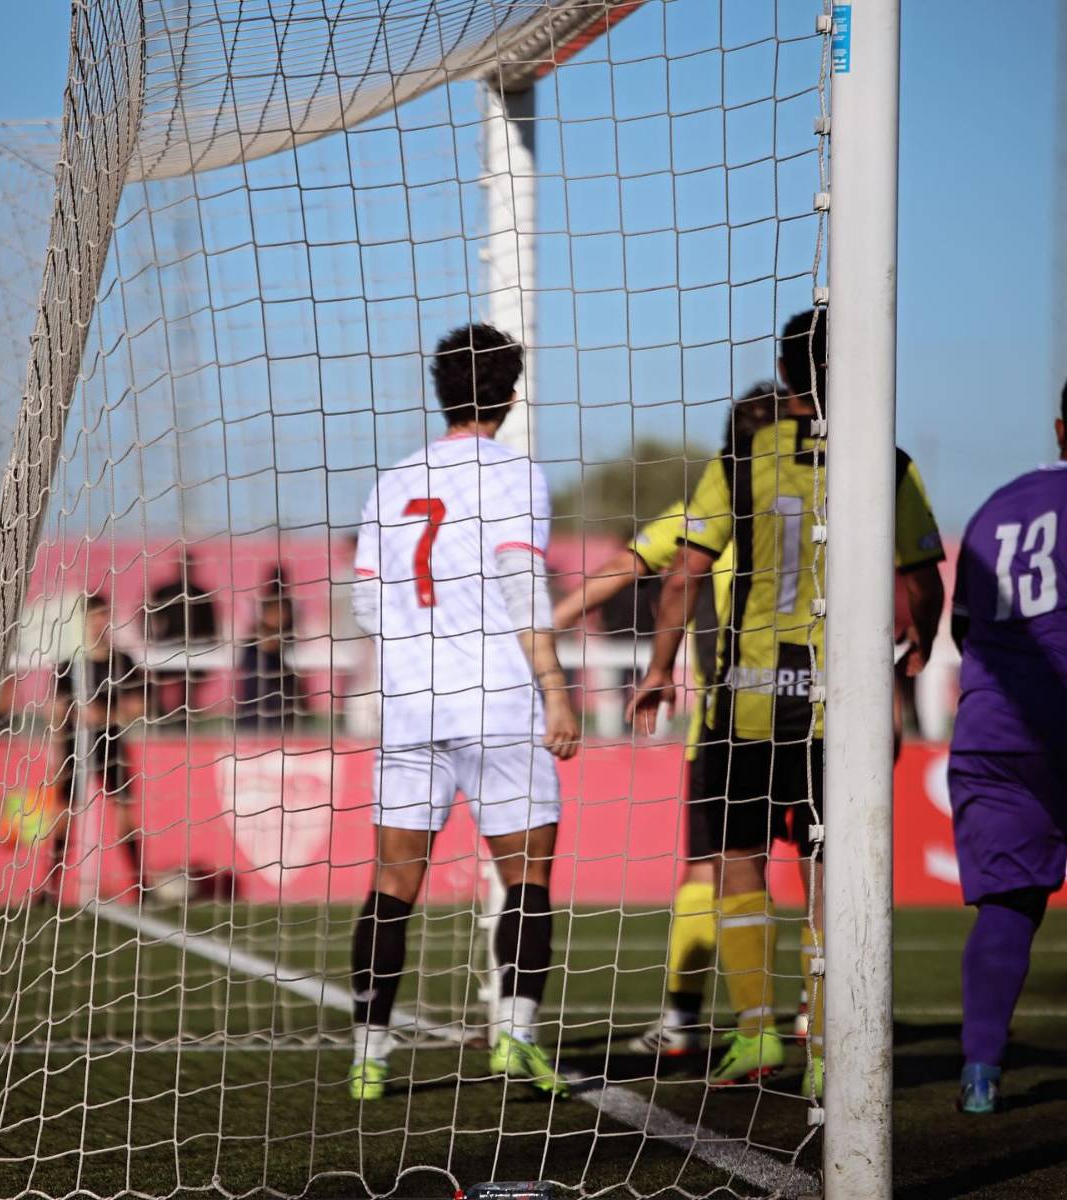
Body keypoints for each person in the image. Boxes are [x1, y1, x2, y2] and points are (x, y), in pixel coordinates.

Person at [628, 308, 945, 1098]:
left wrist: (661, 667)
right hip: (843, 710)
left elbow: (682, 574)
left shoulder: (744, 453)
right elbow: (921, 581)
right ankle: (830, 1047)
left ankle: (755, 1034)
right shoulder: (887, 460)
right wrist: (922, 646)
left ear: (787, 368)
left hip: (748, 705)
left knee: (737, 859)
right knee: (829, 873)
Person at [348, 322, 580, 1102]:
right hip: (500, 700)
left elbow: (364, 600)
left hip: (412, 707)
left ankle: (369, 1058)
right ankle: (513, 1042)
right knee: (527, 877)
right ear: (512, 394)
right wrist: (553, 684)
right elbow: (521, 581)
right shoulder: (516, 475)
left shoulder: (392, 480)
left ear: (439, 388)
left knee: (392, 882)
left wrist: (419, 649)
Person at [553, 382, 776, 1055]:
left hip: (728, 719)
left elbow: (638, 566)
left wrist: (547, 624)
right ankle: (815, 1018)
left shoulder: (707, 505)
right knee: (825, 866)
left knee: (711, 868)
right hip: (824, 715)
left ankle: (690, 1022)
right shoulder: (832, 507)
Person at [947, 383, 1067, 1114]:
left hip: (994, 727)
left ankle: (981, 1073)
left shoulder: (1000, 503)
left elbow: (965, 628)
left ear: (1060, 428)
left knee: (1009, 903)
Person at [50, 593, 146, 896]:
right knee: (65, 813)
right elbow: (56, 710)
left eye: (103, 616)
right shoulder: (69, 663)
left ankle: (140, 885)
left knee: (125, 813)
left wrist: (104, 715)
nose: (98, 622)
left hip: (111, 743)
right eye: (93, 616)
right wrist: (59, 743)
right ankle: (51, 888)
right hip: (74, 746)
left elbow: (140, 705)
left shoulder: (123, 661)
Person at [147, 552, 218, 722]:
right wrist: (152, 637)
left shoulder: (202, 593)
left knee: (190, 680)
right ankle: (157, 709)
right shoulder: (163, 591)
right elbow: (146, 615)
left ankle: (186, 710)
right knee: (155, 678)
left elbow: (211, 626)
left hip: (194, 648)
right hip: (167, 647)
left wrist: (209, 646)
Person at [237, 567, 302, 732]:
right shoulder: (253, 648)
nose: (279, 615)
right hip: (255, 711)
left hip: (276, 707)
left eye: (281, 612)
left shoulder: (286, 642)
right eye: (274, 611)